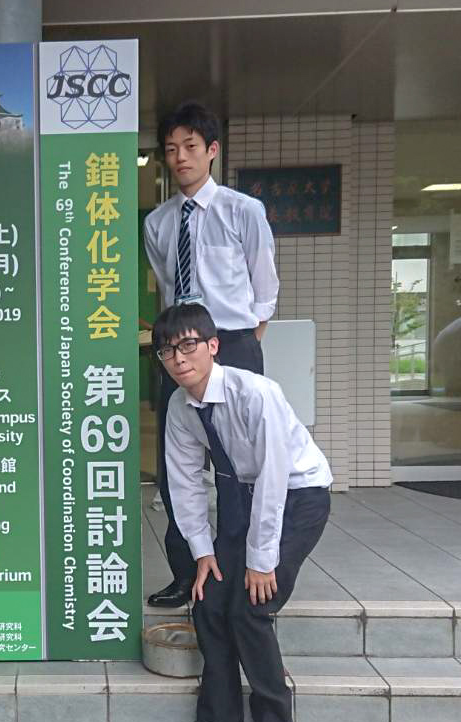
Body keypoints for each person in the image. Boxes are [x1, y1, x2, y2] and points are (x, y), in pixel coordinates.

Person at [153, 303, 331, 722]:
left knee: (252, 605)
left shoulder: (256, 393)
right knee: (209, 599)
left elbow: (274, 476)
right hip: (240, 495)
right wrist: (202, 552)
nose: (178, 358)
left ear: (213, 345)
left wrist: (261, 559)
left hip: (298, 496)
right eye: (167, 350)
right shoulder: (179, 407)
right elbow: (185, 482)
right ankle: (220, 719)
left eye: (188, 345)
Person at [143, 102, 279, 609]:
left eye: (191, 147)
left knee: (241, 463)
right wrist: (181, 348)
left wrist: (243, 343)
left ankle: (242, 568)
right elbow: (166, 285)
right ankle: (186, 573)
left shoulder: (243, 210)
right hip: (179, 349)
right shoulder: (157, 222)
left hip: (232, 344)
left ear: (212, 150)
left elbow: (264, 287)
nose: (180, 157)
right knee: (176, 463)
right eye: (171, 149)